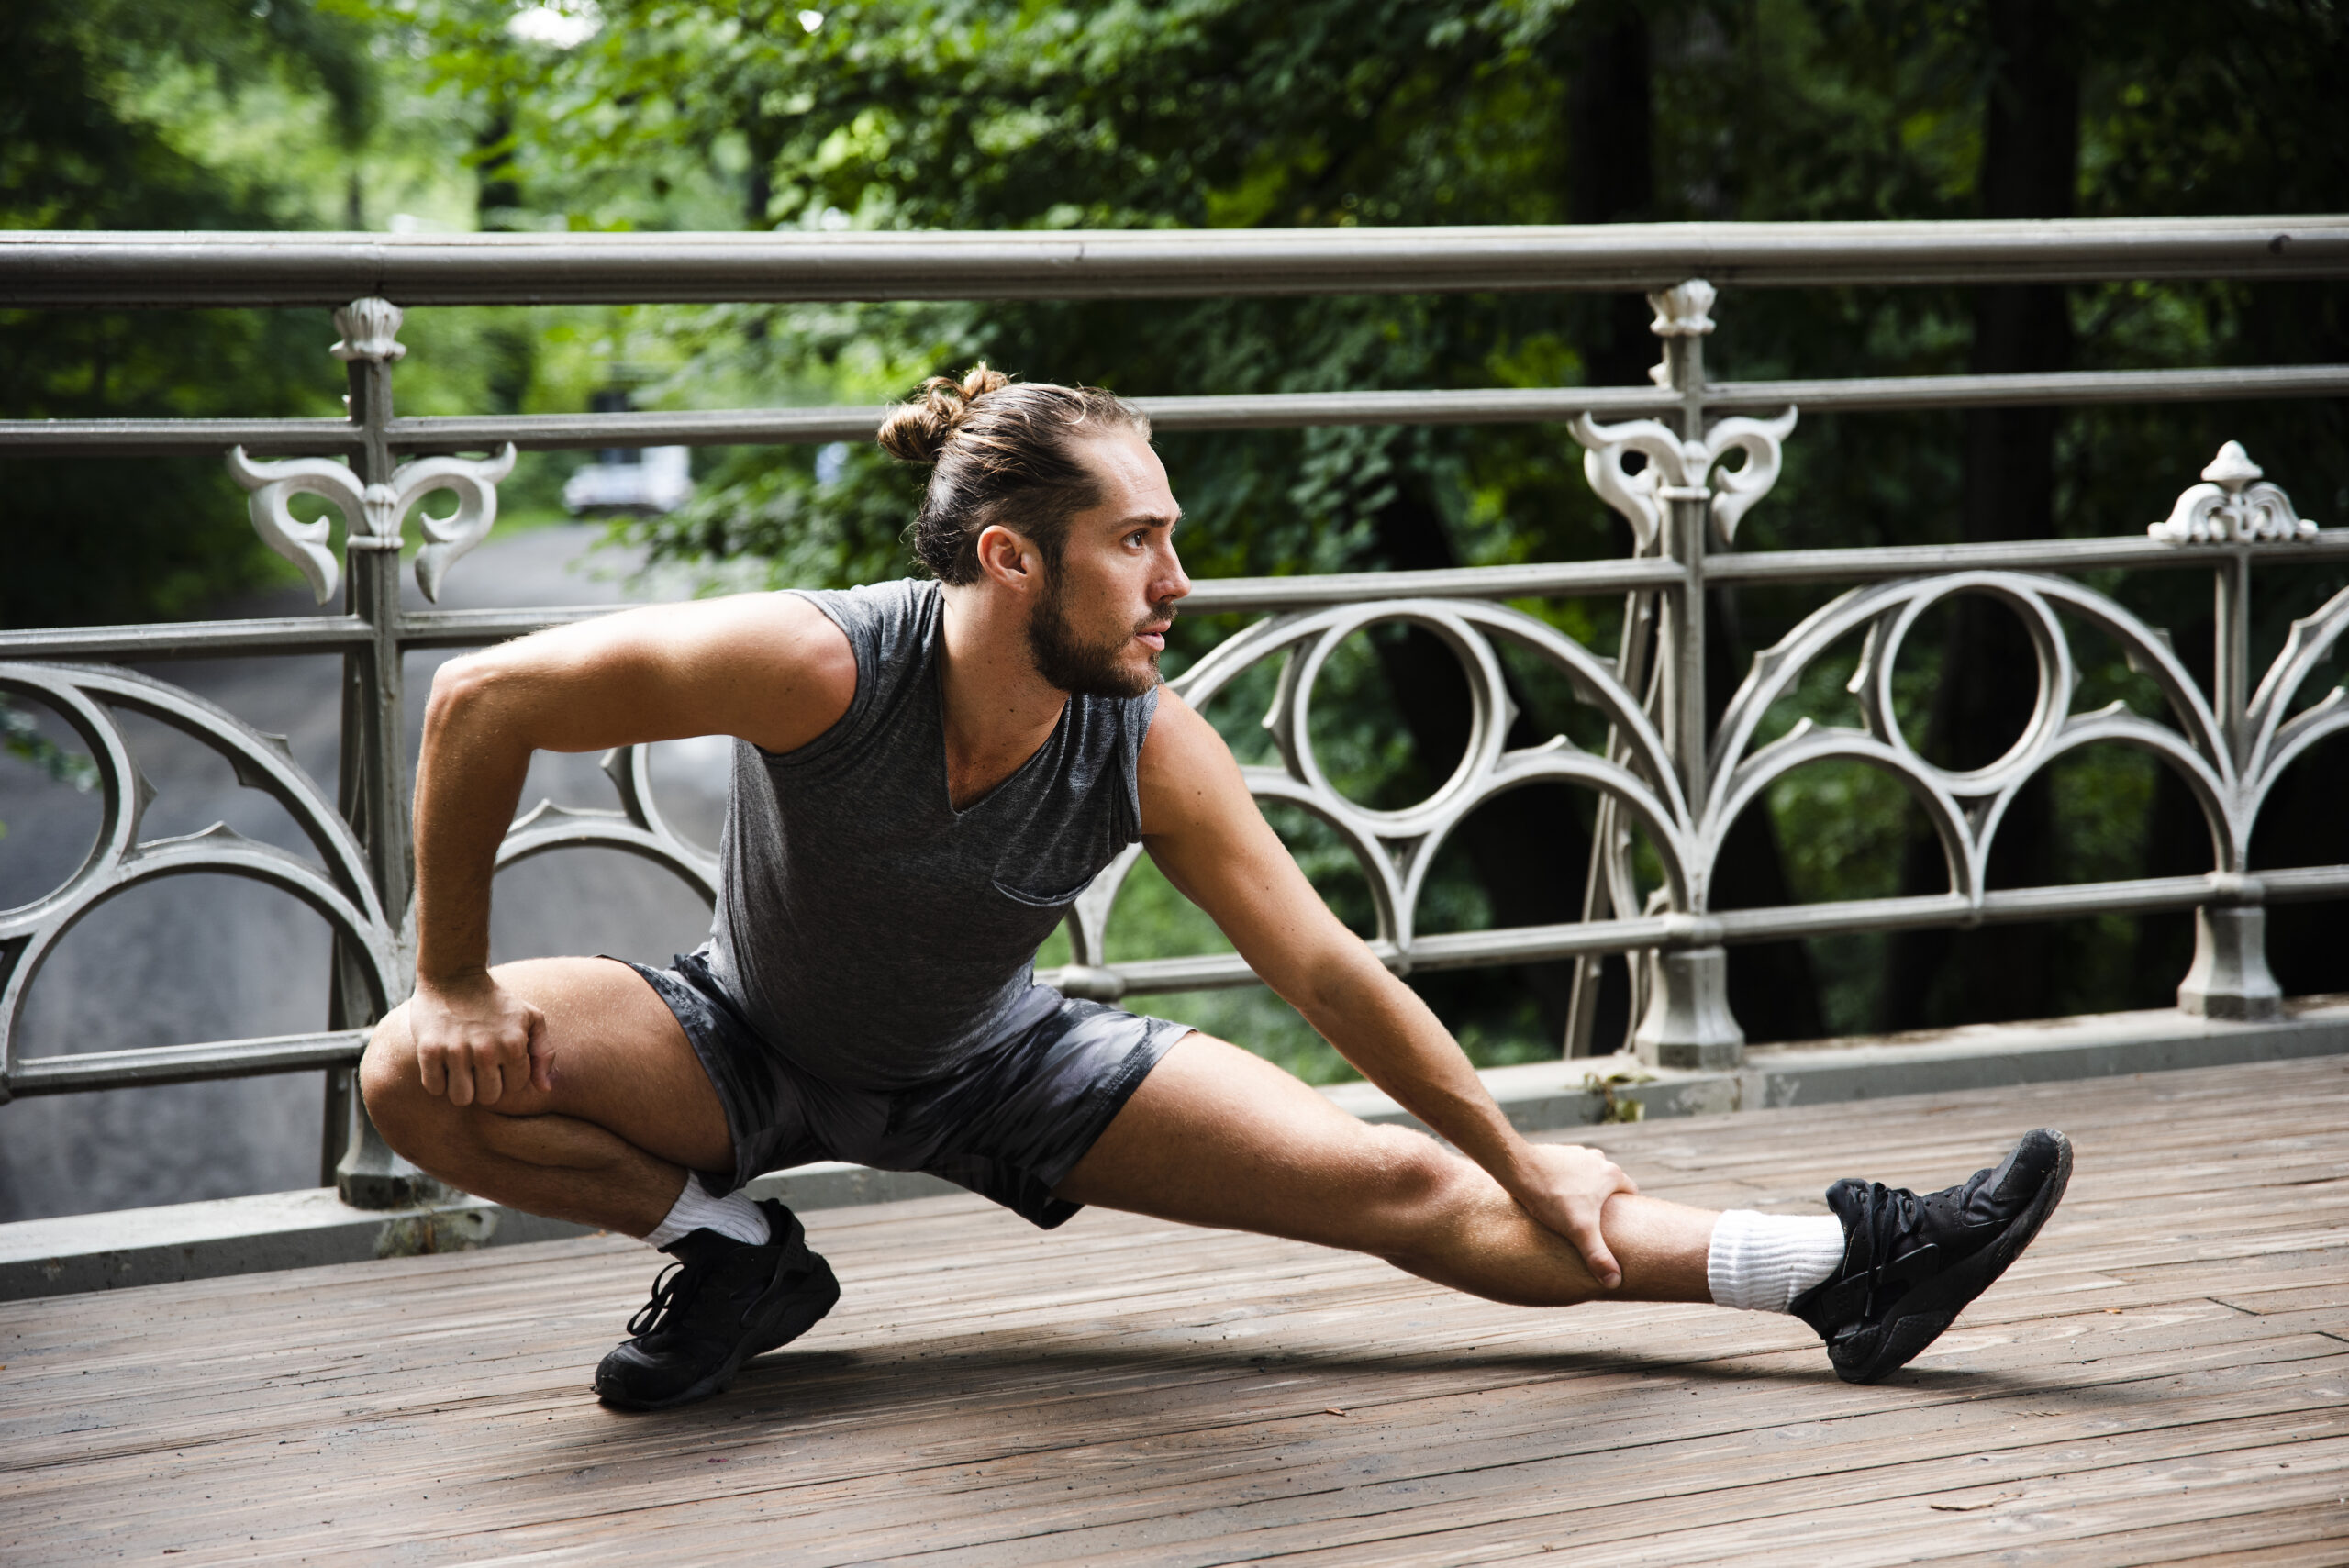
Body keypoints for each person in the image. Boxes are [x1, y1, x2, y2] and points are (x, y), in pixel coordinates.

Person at [361, 367, 2072, 1412]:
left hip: (1001, 1063)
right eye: (1139, 543)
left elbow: (1327, 975)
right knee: (409, 1076)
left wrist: (1515, 1152)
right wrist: (453, 980)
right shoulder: (821, 664)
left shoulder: (1149, 746)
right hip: (741, 1034)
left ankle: (1842, 1263)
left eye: (1170, 536)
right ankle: (733, 1253)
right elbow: (483, 699)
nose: (1178, 580)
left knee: (1410, 1183)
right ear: (1010, 557)